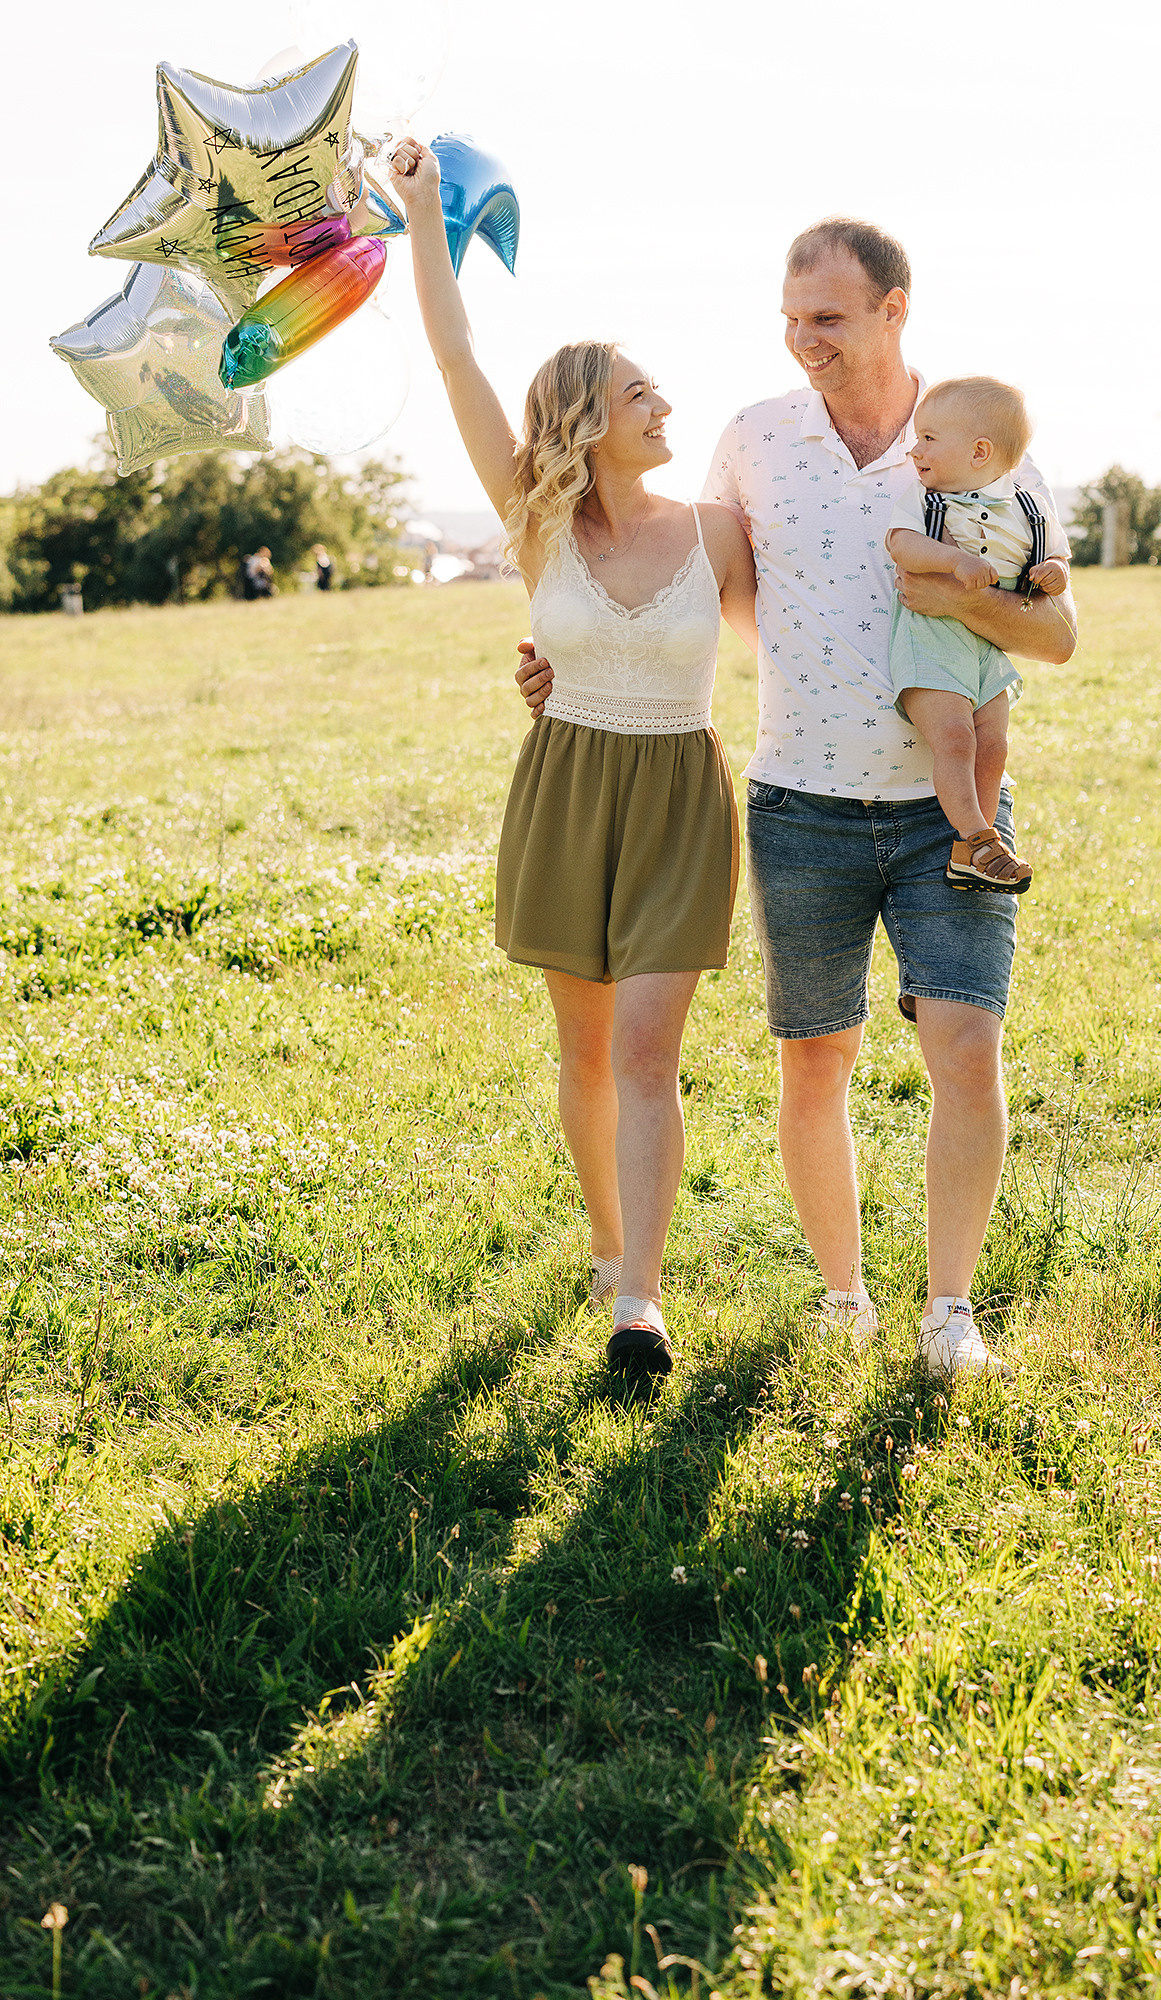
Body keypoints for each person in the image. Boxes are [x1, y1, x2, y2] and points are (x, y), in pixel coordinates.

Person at [519, 218, 1077, 1382]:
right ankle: (844, 1294)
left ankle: (950, 1313)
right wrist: (563, 661)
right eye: (791, 317)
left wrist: (949, 593)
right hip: (798, 805)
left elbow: (1057, 631)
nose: (802, 338)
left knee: (967, 1051)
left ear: (894, 309)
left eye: (827, 317)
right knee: (814, 1062)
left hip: (952, 811)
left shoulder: (980, 444)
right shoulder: (753, 440)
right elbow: (678, 575)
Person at [388, 136, 758, 1380]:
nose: (668, 406)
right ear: (590, 416)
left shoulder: (719, 526)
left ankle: (639, 1303)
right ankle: (609, 1241)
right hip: (570, 786)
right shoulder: (536, 519)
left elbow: (813, 627)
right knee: (588, 1051)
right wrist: (431, 212)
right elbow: (456, 357)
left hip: (679, 796)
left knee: (651, 1049)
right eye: (644, 392)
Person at [886, 376, 1070, 895]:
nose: (914, 449)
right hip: (932, 642)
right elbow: (901, 546)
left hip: (987, 649)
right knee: (955, 738)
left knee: (994, 745)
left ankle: (976, 850)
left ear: (980, 451)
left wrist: (1055, 569)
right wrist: (953, 559)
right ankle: (976, 836)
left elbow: (1055, 554)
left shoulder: (1029, 508)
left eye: (927, 439)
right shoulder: (925, 502)